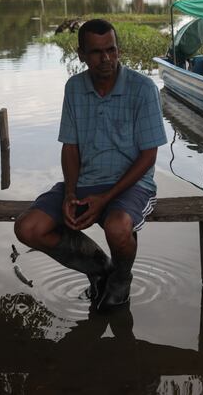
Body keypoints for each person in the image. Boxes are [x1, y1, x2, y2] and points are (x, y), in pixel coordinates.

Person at [15, 18, 167, 311]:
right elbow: (70, 148)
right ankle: (100, 268)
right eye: (96, 52)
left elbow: (148, 156)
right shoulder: (74, 88)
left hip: (132, 185)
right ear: (81, 54)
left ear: (118, 50)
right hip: (85, 181)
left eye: (111, 50)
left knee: (118, 228)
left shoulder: (143, 89)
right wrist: (71, 193)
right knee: (28, 228)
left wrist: (105, 200)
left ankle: (121, 279)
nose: (106, 59)